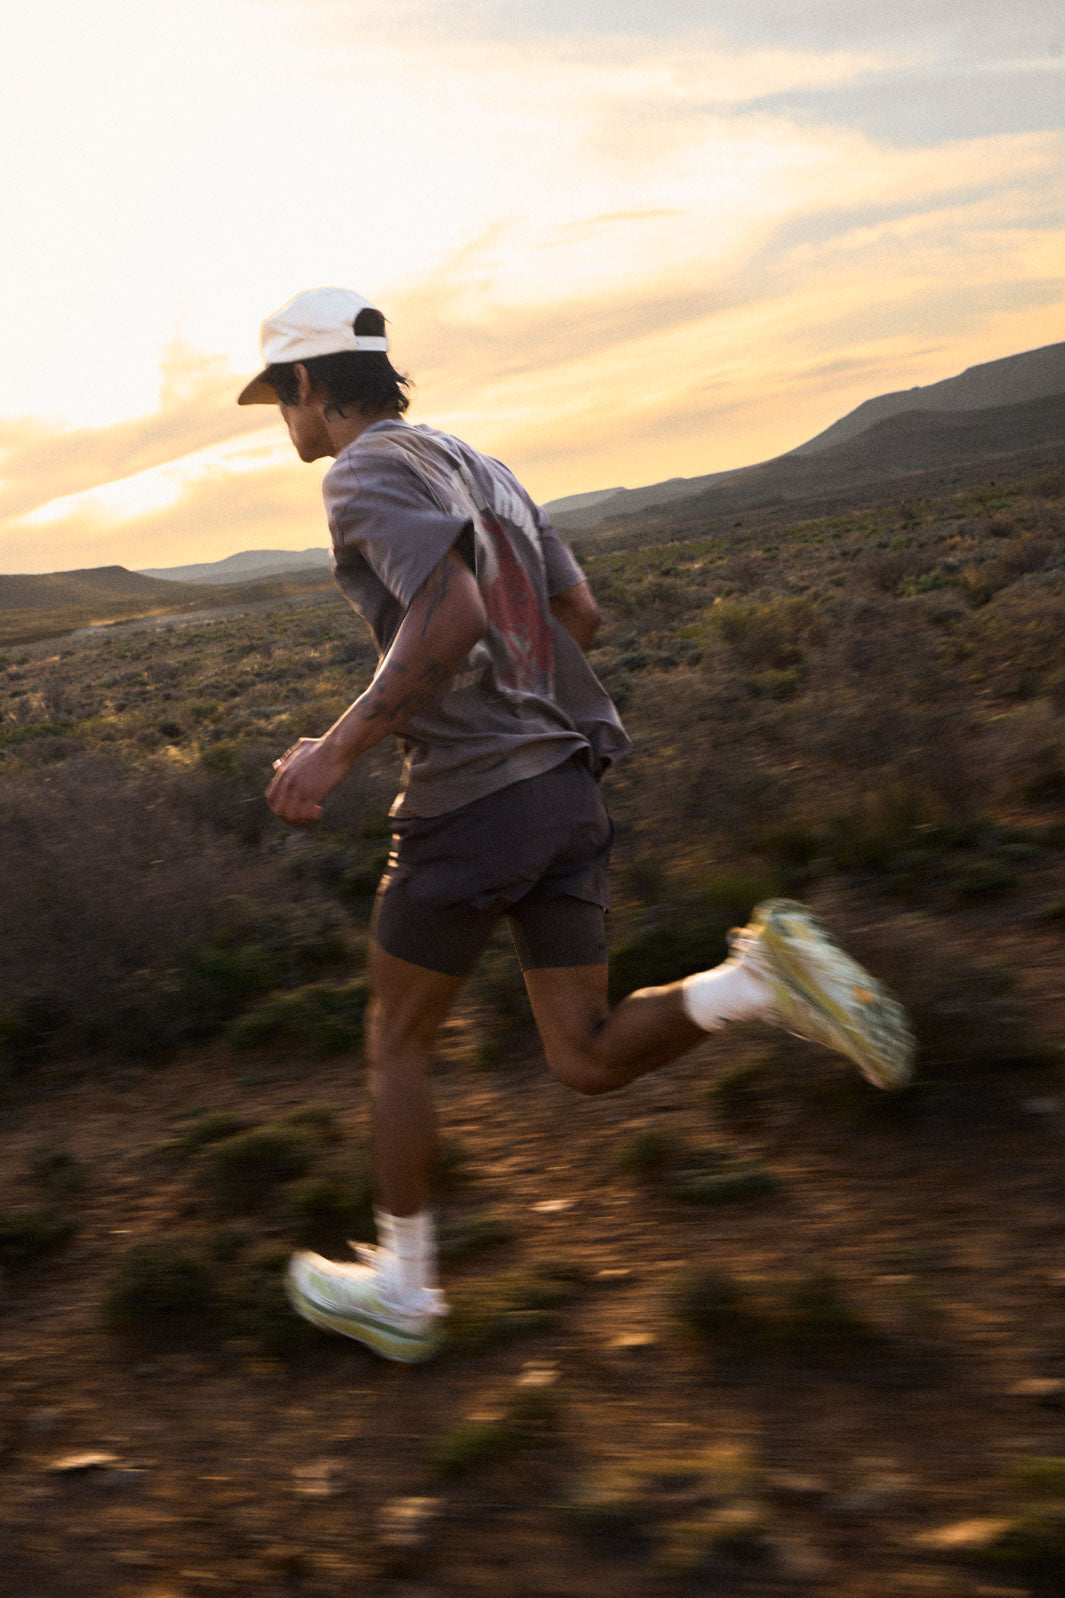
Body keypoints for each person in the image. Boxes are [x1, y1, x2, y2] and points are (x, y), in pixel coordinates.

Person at [241, 286, 913, 1364]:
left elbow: (452, 612)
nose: (285, 421)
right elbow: (579, 615)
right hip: (563, 784)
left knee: (393, 1039)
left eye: (280, 396)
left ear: (310, 383)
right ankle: (755, 982)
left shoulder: (365, 470)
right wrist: (514, 684)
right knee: (584, 1056)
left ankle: (406, 1287)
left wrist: (334, 749)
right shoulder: (483, 465)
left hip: (469, 798)